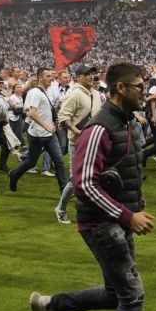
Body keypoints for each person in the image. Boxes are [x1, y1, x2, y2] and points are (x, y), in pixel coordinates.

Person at [28, 62, 155, 311]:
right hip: (102, 224)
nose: (145, 93)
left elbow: (122, 170)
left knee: (116, 294)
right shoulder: (99, 129)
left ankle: (51, 307)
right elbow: (84, 184)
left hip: (115, 219)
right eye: (140, 87)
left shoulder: (127, 122)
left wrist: (135, 201)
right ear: (120, 88)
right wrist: (126, 214)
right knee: (132, 297)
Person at [54, 64, 102, 224]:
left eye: (93, 74)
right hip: (77, 143)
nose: (91, 76)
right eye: (87, 74)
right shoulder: (74, 94)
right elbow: (63, 116)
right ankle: (61, 209)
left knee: (93, 177)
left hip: (93, 142)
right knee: (76, 180)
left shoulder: (96, 93)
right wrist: (78, 132)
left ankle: (89, 209)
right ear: (78, 77)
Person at [8, 68, 67, 194]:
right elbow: (32, 112)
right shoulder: (35, 92)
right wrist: (47, 126)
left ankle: (64, 191)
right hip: (37, 135)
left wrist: (55, 122)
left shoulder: (48, 91)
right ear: (40, 78)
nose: (51, 78)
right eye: (48, 76)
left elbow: (47, 110)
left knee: (59, 161)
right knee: (31, 162)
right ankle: (14, 175)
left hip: (49, 134)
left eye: (52, 75)